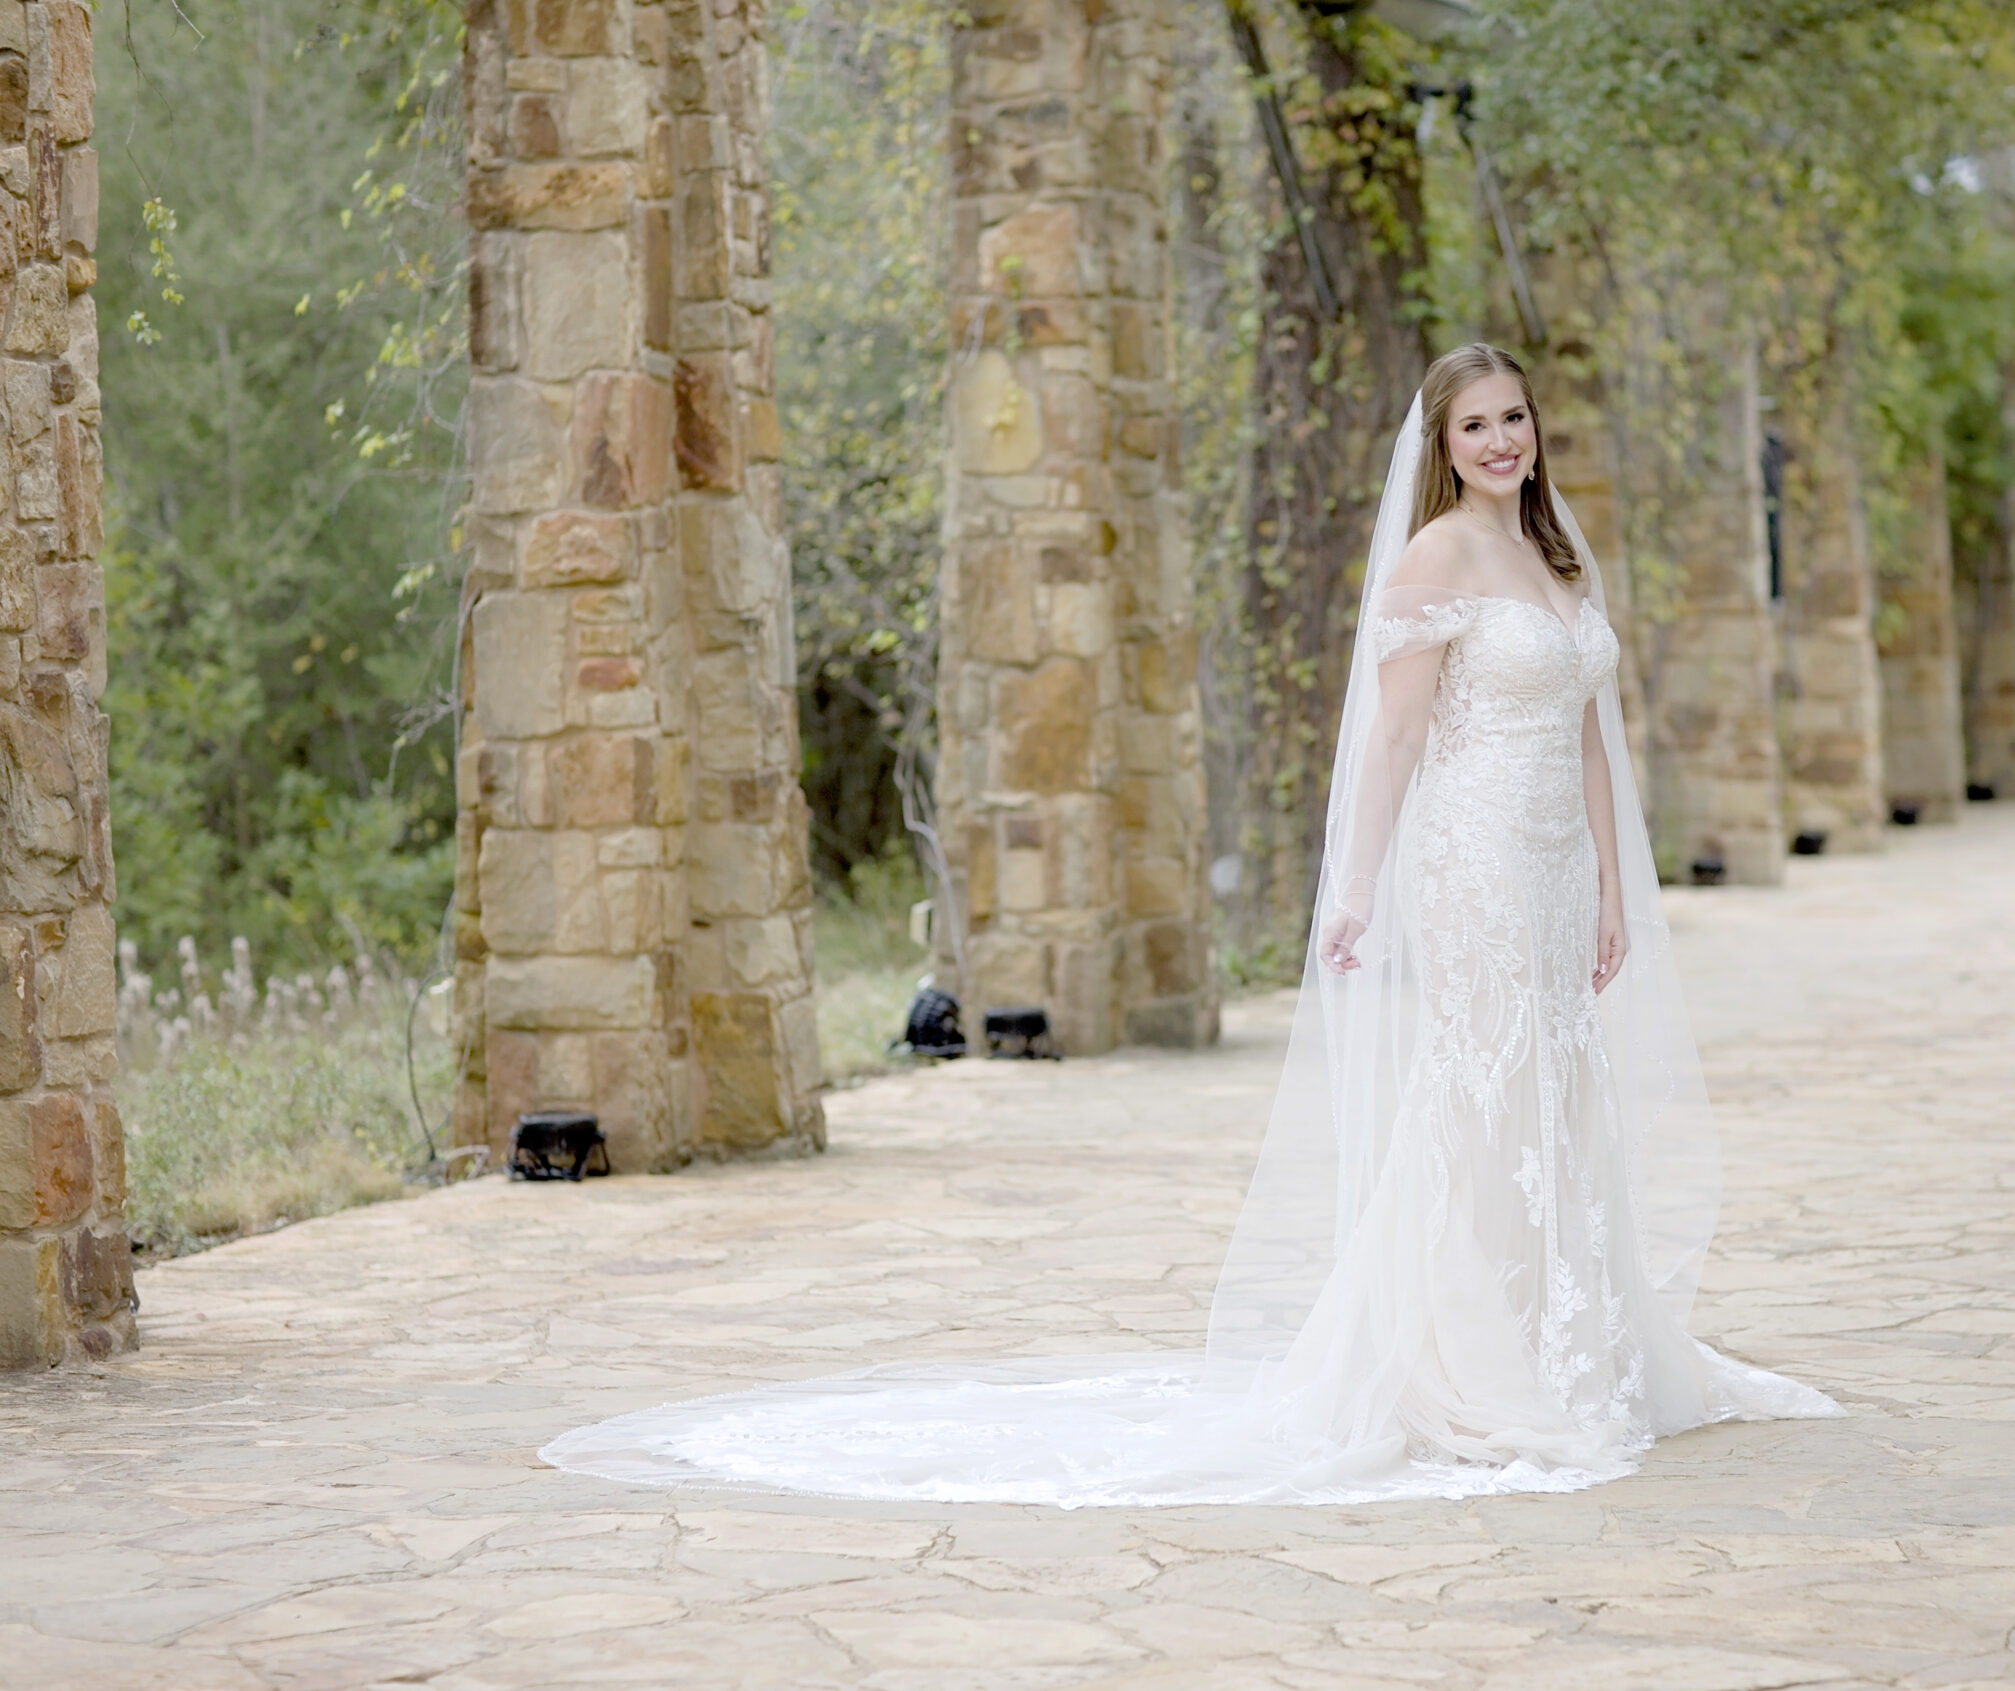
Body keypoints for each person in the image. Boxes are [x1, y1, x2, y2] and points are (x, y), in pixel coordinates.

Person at [539, 344, 1839, 1508]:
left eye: (1515, 420)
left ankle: (1573, 1335)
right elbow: (1390, 741)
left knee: (1557, 1092)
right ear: (1443, 450)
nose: (1504, 442)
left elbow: (1592, 744)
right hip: (1477, 865)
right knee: (1482, 1097)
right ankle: (1475, 1363)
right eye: (1477, 427)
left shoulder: (1563, 556)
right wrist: (1355, 890)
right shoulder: (1433, 560)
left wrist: (1618, 887)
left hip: (1560, 870)